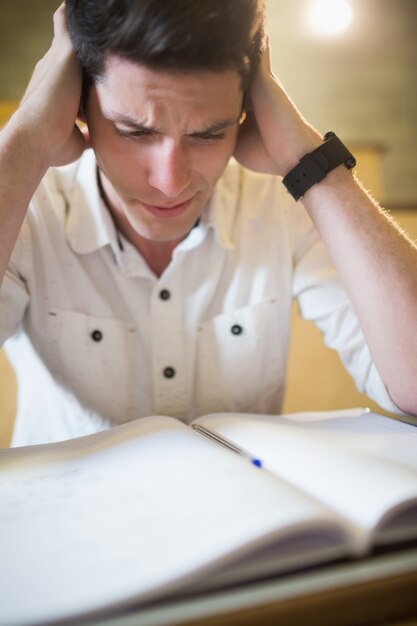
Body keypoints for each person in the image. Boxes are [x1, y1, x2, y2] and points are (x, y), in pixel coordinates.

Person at [0, 0, 416, 446]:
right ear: (77, 109)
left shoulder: (280, 205)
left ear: (245, 114)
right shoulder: (28, 207)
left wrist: (310, 161)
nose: (170, 182)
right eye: (135, 132)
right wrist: (25, 140)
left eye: (209, 133)